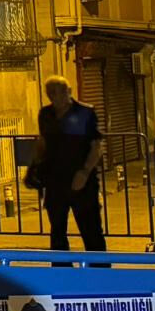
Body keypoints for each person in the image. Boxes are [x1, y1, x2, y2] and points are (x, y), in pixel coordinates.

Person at [27, 76, 107, 253]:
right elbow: (44, 142)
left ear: (68, 92)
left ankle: (99, 271)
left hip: (81, 180)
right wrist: (34, 166)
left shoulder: (85, 113)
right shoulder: (46, 114)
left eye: (58, 92)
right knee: (57, 231)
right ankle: (61, 270)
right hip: (55, 179)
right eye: (51, 93)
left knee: (91, 229)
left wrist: (85, 172)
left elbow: (96, 146)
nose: (54, 97)